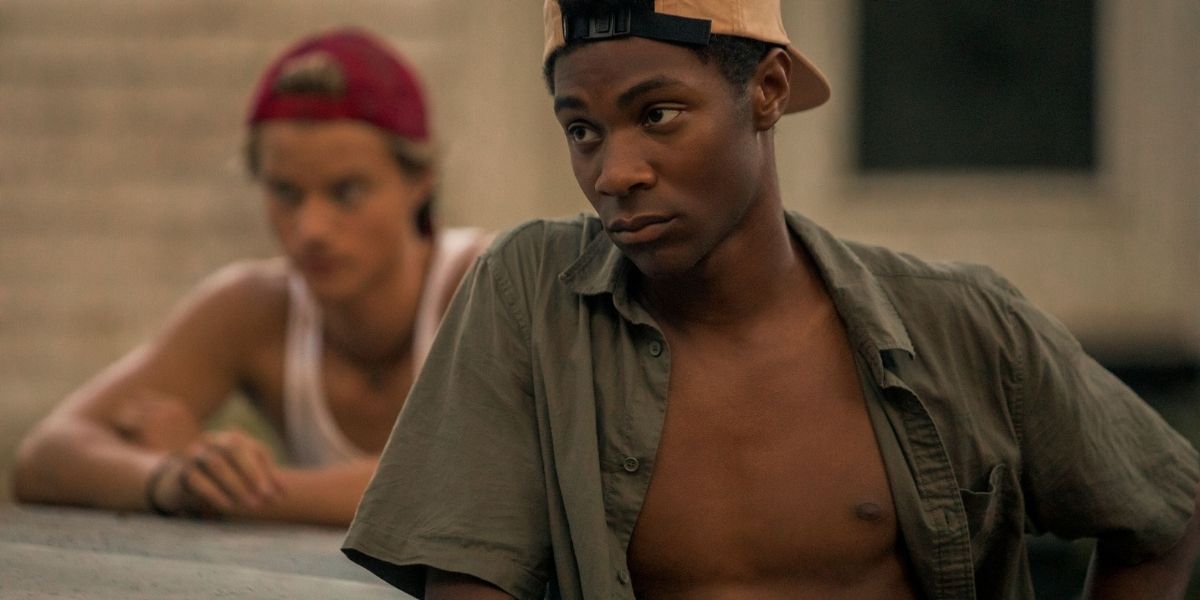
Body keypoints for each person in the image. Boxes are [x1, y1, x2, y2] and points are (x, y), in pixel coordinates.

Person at [341, 1, 1200, 597]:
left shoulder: (959, 326)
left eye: (661, 114)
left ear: (767, 91)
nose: (614, 173)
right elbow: (466, 580)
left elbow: (1163, 513)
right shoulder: (534, 298)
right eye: (582, 130)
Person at [12, 28, 490, 527]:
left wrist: (230, 489)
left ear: (420, 180)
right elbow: (44, 459)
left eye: (346, 192)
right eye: (286, 193)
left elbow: (457, 486)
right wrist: (174, 479)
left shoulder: (487, 287)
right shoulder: (255, 308)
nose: (312, 229)